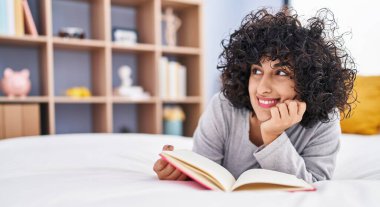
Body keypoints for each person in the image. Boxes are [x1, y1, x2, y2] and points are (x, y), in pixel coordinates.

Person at [153, 8, 357, 183]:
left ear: (309, 80)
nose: (262, 88)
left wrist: (274, 137)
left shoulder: (324, 122)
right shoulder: (223, 107)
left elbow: (315, 188)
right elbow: (204, 169)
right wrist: (183, 174)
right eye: (257, 71)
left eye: (281, 72)